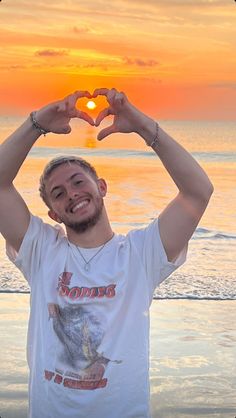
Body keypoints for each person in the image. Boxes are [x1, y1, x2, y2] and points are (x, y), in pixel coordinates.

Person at [0, 88, 213, 418]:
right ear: (54, 214)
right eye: (58, 193)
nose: (72, 194)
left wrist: (143, 126)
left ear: (101, 187)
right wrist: (38, 123)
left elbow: (198, 192)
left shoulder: (141, 255)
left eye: (78, 182)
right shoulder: (41, 250)